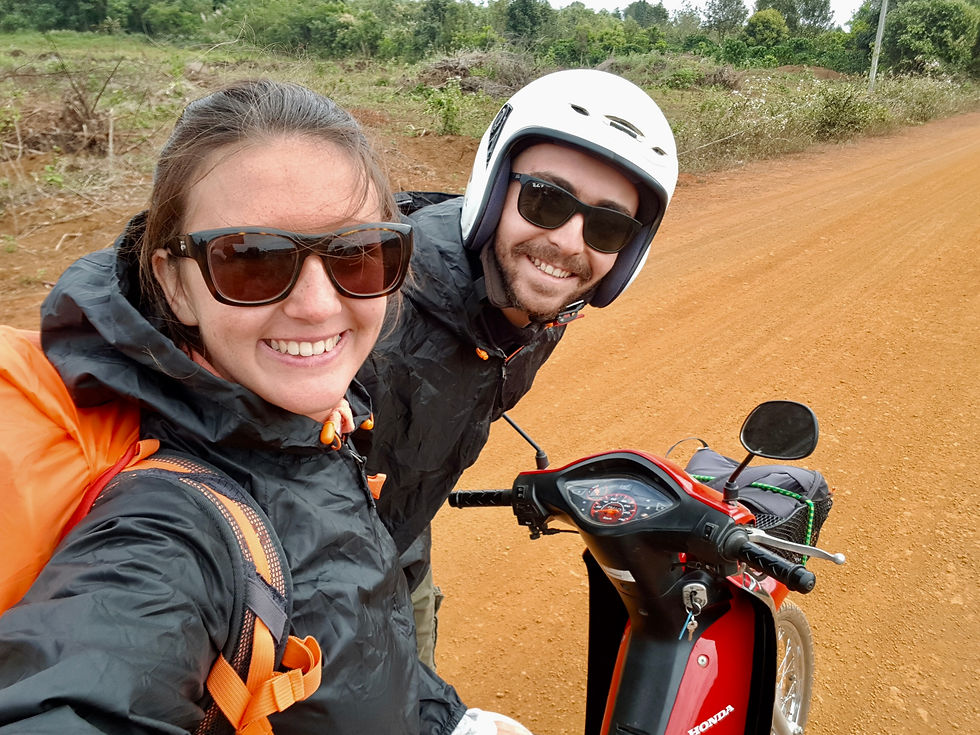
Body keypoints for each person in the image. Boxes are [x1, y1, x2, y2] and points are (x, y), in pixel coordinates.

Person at [0, 79, 530, 735]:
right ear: (175, 284)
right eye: (252, 260)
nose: (317, 305)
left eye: (358, 254)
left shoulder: (299, 426)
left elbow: (350, 637)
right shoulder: (172, 527)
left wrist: (438, 717)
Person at [357, 69, 680, 668]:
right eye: (546, 200)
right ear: (494, 190)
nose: (570, 242)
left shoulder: (542, 307)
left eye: (608, 226)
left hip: (400, 542)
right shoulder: (371, 303)